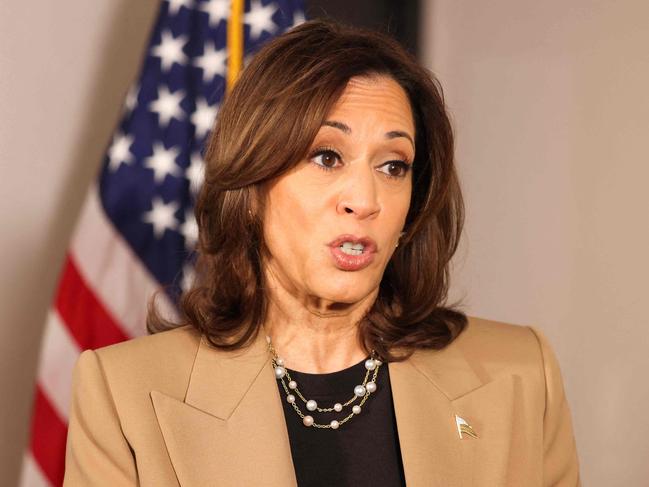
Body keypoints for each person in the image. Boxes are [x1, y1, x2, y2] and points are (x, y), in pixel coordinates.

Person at [63, 20, 580, 486]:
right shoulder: (125, 394)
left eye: (393, 166)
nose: (365, 200)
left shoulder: (521, 375)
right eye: (327, 156)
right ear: (253, 184)